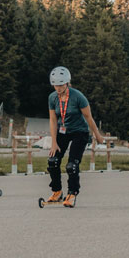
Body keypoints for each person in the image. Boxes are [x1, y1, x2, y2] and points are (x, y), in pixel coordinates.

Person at [45, 66, 106, 207]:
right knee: (53, 161)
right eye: (55, 85)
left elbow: (88, 117)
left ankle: (72, 193)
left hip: (80, 132)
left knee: (72, 165)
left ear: (67, 83)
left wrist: (97, 134)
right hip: (62, 132)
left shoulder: (78, 97)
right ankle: (57, 192)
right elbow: (53, 120)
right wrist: (54, 142)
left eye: (61, 85)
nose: (58, 88)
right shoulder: (52, 98)